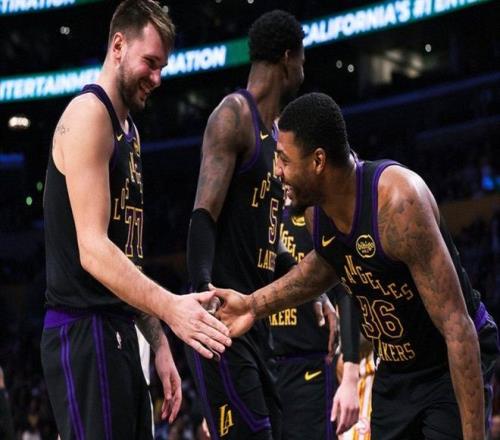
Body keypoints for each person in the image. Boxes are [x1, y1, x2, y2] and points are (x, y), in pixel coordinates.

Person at [214, 92, 499, 439]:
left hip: (448, 362)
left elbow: (458, 327)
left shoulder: (398, 204)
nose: (277, 172)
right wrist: (252, 305)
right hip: (395, 370)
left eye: (284, 160)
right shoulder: (317, 214)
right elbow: (325, 265)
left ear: (318, 161)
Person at [40, 1, 231, 439]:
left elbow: (128, 258)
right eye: (150, 62)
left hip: (118, 327)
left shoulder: (131, 131)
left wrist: (158, 342)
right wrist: (172, 309)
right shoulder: (89, 115)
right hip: (83, 329)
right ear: (118, 46)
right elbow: (93, 251)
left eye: (162, 67)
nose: (157, 77)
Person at [184, 10, 308, 439]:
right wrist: (204, 294)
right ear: (288, 58)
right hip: (223, 322)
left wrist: (312, 290)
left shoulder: (277, 135)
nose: (304, 71)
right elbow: (203, 214)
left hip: (254, 321)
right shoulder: (234, 115)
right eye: (302, 60)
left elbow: (266, 239)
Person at [270, 201, 360, 439]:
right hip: (263, 366)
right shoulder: (259, 211)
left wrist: (350, 369)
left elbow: (346, 288)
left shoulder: (318, 211)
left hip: (310, 369)